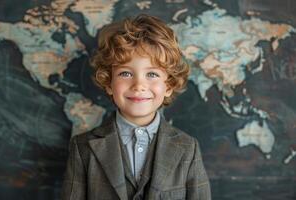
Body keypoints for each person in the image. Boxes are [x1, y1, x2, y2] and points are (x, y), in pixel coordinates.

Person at [61, 14, 211, 200]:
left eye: (152, 74)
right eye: (125, 73)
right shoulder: (82, 148)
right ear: (109, 83)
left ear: (169, 86)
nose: (139, 85)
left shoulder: (188, 148)